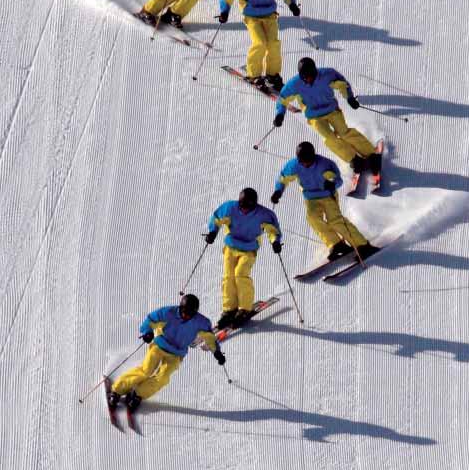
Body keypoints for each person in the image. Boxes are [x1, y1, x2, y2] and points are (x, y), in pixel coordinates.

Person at [109, 293, 224, 411]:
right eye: (183, 311)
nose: (185, 315)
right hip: (159, 345)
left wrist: (217, 352)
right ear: (180, 307)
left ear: (194, 313)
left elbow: (210, 338)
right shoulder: (169, 313)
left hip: (176, 354)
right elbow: (150, 320)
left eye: (189, 314)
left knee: (163, 378)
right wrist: (147, 332)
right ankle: (117, 390)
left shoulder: (201, 323)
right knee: (146, 370)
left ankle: (137, 394)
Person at [270, 141, 379, 260]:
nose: (306, 164)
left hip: (327, 195)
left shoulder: (324, 164)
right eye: (303, 162)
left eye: (308, 161)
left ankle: (362, 245)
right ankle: (337, 244)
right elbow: (283, 178)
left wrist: (331, 184)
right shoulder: (294, 166)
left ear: (313, 156)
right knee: (313, 219)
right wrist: (278, 191)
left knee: (335, 220)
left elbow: (337, 180)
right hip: (311, 197)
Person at [273, 57, 380, 172]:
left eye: (311, 76)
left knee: (344, 132)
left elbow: (343, 83)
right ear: (301, 76)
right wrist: (280, 114)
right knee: (329, 138)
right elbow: (282, 99)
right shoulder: (294, 84)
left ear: (315, 71)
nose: (309, 79)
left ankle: (371, 154)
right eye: (305, 77)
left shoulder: (327, 74)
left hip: (332, 110)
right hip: (314, 116)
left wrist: (349, 98)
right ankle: (353, 159)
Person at [204, 187, 282, 328]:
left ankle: (245, 309)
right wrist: (212, 232)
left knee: (240, 274)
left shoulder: (263, 214)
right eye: (242, 206)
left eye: (248, 207)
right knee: (228, 277)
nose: (244, 209)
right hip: (231, 246)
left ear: (254, 205)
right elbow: (216, 218)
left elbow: (273, 229)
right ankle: (230, 310)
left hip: (249, 248)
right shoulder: (230, 208)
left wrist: (275, 241)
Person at [217, 0, 299, 90]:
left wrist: (292, 4)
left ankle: (272, 75)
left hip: (270, 15)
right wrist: (224, 11)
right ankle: (253, 75)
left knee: (273, 44)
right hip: (251, 16)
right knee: (260, 43)